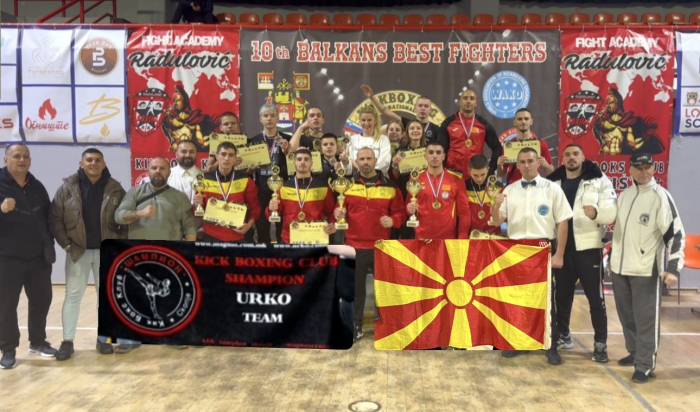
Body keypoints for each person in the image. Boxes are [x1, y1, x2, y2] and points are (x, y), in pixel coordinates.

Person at [491, 147, 573, 365]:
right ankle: (520, 342)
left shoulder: (552, 189)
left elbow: (563, 221)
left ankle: (551, 345)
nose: (527, 165)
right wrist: (496, 205)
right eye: (523, 162)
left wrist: (559, 254)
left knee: (546, 300)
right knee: (518, 298)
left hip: (542, 247)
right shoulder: (509, 190)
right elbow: (497, 221)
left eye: (530, 161)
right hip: (517, 248)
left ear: (538, 163)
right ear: (517, 165)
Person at [610, 152, 685, 384]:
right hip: (620, 268)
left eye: (648, 167)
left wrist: (673, 267)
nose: (644, 172)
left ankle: (644, 365)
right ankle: (634, 352)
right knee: (627, 316)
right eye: (639, 168)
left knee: (646, 320)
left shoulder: (660, 196)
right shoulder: (624, 195)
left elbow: (676, 234)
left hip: (645, 270)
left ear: (653, 168)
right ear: (630, 170)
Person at [49, 148, 128, 361]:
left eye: (98, 160)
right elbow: (55, 218)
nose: (94, 163)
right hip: (78, 251)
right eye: (89, 160)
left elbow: (125, 219)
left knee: (106, 297)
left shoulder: (115, 188)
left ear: (104, 164)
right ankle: (67, 341)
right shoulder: (67, 188)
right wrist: (65, 243)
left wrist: (118, 246)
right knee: (73, 296)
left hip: (106, 252)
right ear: (81, 163)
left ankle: (103, 338)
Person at [547, 144, 617, 363]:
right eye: (567, 154)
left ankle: (600, 344)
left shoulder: (599, 181)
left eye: (575, 154)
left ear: (583, 157)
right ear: (562, 159)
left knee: (595, 299)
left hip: (588, 249)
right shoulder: (554, 183)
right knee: (562, 297)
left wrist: (596, 213)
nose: (571, 158)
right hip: (561, 249)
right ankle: (563, 335)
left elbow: (611, 212)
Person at [334, 148, 405, 341]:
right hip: (354, 246)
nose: (365, 162)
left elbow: (400, 212)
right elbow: (338, 210)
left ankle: (384, 326)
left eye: (368, 158)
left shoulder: (391, 186)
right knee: (356, 290)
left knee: (383, 289)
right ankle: (356, 325)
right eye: (362, 159)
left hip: (381, 246)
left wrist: (393, 220)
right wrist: (337, 213)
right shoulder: (346, 185)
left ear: (375, 160)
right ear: (356, 162)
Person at [0, 144, 57, 369]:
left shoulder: (36, 186)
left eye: (26, 156)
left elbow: (49, 217)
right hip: (6, 257)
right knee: (6, 305)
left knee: (42, 300)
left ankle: (38, 342)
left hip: (37, 257)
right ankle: (8, 348)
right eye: (16, 156)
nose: (21, 160)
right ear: (6, 159)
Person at [266, 149, 336, 244]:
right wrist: (270, 209)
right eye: (299, 159)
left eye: (306, 159)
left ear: (311, 163)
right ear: (294, 163)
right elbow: (273, 215)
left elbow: (331, 212)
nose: (302, 162)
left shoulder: (323, 187)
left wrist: (333, 224)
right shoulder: (283, 187)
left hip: (316, 239)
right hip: (289, 239)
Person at [245, 104, 292, 243]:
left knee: (282, 224)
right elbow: (248, 171)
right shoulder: (253, 141)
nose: (269, 118)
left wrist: (288, 152)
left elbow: (295, 164)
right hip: (261, 188)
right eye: (266, 116)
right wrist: (253, 166)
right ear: (261, 119)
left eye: (272, 115)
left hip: (283, 188)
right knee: (262, 225)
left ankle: (282, 251)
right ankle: (264, 252)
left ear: (278, 118)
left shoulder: (288, 139)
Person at [196, 142, 260, 242]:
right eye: (223, 154)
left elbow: (255, 207)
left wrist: (249, 225)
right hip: (212, 234)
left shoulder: (245, 180)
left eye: (231, 155)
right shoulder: (204, 179)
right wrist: (196, 204)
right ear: (216, 156)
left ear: (235, 158)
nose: (227, 158)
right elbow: (198, 209)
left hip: (238, 234)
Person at [406, 142, 471, 239]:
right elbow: (408, 207)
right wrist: (409, 209)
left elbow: (464, 212)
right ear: (425, 156)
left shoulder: (456, 179)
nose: (435, 156)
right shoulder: (416, 178)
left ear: (444, 156)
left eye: (438, 152)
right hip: (421, 237)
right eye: (431, 152)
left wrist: (463, 236)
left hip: (447, 238)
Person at [438, 89, 501, 180]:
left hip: (475, 176)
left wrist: (490, 170)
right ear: (460, 101)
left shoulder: (483, 124)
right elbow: (440, 149)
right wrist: (443, 170)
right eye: (465, 98)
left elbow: (497, 147)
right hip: (452, 174)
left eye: (471, 98)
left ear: (476, 103)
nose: (468, 101)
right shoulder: (448, 123)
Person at [593, 87, 665, 156]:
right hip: (605, 156)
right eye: (607, 103)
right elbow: (595, 128)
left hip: (622, 157)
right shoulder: (602, 121)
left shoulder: (627, 120)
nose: (608, 105)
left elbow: (652, 122)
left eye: (611, 102)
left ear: (617, 104)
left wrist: (645, 135)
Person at [361, 84, 440, 143]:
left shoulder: (436, 129)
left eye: (426, 106)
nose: (423, 108)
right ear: (415, 108)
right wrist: (372, 98)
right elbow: (385, 111)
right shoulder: (407, 123)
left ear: (430, 110)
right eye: (420, 105)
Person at [497, 108, 554, 185]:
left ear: (531, 121)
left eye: (526, 119)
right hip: (513, 186)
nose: (523, 122)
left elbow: (550, 172)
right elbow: (502, 174)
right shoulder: (508, 146)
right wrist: (499, 165)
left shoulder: (541, 144)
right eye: (520, 119)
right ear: (514, 122)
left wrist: (546, 165)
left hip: (534, 186)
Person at [390, 119, 427, 239]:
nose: (415, 131)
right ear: (407, 132)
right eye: (412, 128)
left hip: (424, 193)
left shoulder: (429, 151)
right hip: (405, 193)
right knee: (405, 229)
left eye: (418, 128)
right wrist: (395, 165)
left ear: (422, 131)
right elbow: (396, 176)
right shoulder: (400, 152)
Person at [347, 105, 392, 176]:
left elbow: (384, 164)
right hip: (357, 180)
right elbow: (349, 169)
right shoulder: (352, 139)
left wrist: (362, 170)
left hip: (378, 179)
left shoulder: (383, 139)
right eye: (363, 120)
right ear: (360, 121)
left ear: (375, 120)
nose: (366, 123)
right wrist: (345, 163)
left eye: (369, 120)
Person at [466, 155, 503, 235]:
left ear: (488, 169)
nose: (479, 179)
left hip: (493, 235)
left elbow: (505, 215)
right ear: (469, 171)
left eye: (483, 174)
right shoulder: (463, 187)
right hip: (471, 235)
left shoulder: (499, 187)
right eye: (475, 175)